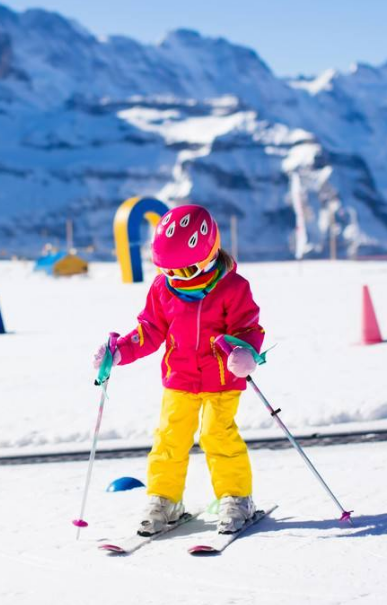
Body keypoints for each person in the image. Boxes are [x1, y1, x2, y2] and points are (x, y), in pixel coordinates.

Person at [93, 204, 264, 535]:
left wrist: (245, 352)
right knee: (169, 438)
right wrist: (120, 350)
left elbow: (247, 327)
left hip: (221, 378)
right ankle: (165, 499)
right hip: (179, 378)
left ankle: (236, 497)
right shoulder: (163, 288)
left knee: (217, 435)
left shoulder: (233, 287)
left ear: (209, 255)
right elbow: (149, 330)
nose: (176, 278)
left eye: (184, 271)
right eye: (168, 271)